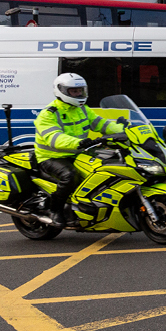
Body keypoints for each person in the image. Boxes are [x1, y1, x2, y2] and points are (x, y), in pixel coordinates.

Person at [34, 73, 125, 227]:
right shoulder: (48, 114)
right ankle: (55, 210)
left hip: (78, 152)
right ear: (61, 91)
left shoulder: (82, 109)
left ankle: (89, 207)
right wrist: (79, 142)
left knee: (104, 168)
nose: (78, 94)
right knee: (70, 175)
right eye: (73, 91)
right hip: (52, 156)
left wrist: (126, 130)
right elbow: (54, 138)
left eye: (80, 91)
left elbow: (102, 124)